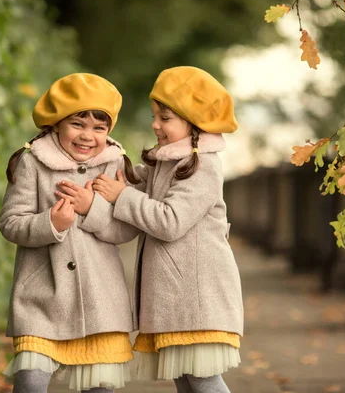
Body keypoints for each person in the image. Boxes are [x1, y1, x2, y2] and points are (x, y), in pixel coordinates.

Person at [92, 66, 244, 393]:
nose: (155, 125)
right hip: (177, 300)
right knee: (186, 380)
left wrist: (123, 195)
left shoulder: (203, 166)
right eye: (155, 116)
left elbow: (170, 221)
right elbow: (140, 184)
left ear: (194, 122)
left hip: (197, 299)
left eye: (165, 118)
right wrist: (113, 169)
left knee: (203, 380)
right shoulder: (169, 160)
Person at [0, 73, 139, 393]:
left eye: (99, 128)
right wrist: (50, 223)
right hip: (41, 297)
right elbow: (10, 222)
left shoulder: (115, 164)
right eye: (78, 124)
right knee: (30, 382)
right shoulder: (32, 162)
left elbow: (127, 229)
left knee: (99, 387)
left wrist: (93, 208)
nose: (88, 136)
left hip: (100, 299)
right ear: (56, 124)